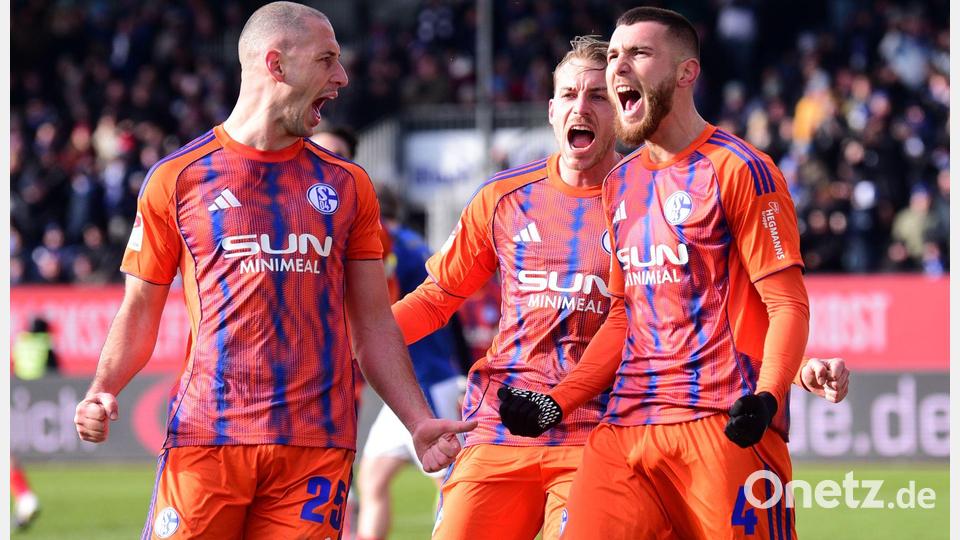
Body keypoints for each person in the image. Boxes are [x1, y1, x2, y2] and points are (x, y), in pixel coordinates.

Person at [394, 36, 847, 539]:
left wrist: (792, 371)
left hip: (597, 430)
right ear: (551, 111)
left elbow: (698, 314)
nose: (580, 107)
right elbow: (436, 299)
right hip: (499, 427)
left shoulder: (650, 192)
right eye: (569, 95)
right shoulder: (503, 197)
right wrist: (350, 339)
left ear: (624, 109)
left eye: (598, 96)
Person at [71, 3, 474, 539]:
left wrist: (418, 420)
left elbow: (374, 324)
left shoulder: (349, 186)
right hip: (207, 438)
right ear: (276, 64)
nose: (342, 77)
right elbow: (140, 308)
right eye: (327, 59)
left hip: (315, 448)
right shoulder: (178, 178)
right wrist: (103, 387)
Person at [498, 8, 811, 539]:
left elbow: (787, 304)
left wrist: (768, 397)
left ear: (686, 73)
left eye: (638, 53)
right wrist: (557, 403)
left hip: (721, 422)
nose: (618, 67)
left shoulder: (740, 169)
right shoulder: (620, 182)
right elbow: (624, 316)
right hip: (626, 427)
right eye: (613, 55)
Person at [356, 186, 468, 540]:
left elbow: (373, 308)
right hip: (411, 378)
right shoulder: (416, 244)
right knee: (372, 476)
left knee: (449, 480)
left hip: (424, 379)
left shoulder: (387, 247)